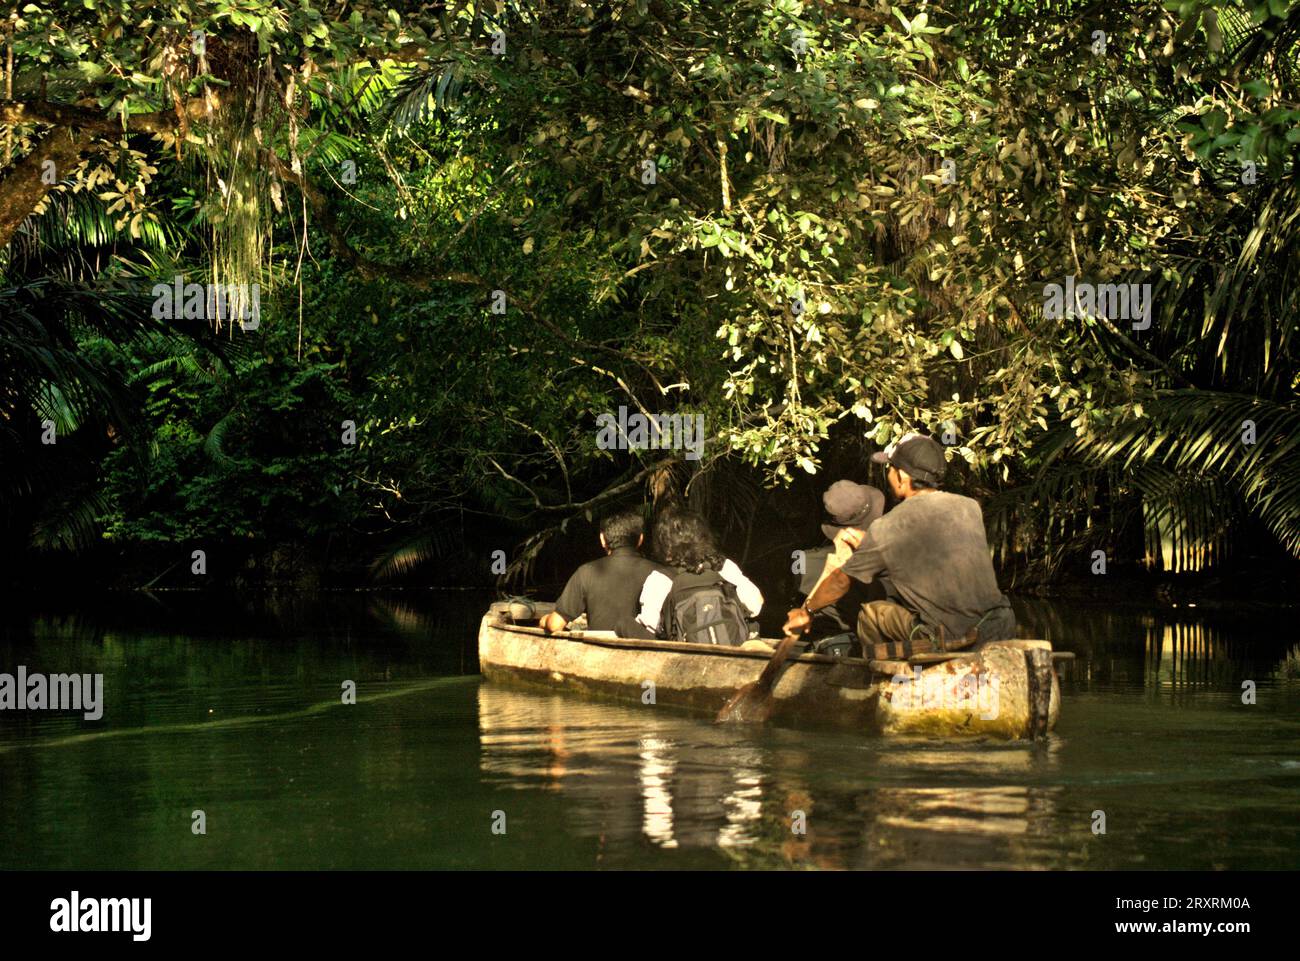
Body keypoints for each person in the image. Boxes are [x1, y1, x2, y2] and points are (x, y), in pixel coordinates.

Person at [783, 433, 1016, 659]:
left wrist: (807, 611)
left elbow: (840, 582)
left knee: (870, 615)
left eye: (890, 468)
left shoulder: (887, 527)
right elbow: (930, 550)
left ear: (902, 476)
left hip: (949, 636)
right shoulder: (969, 507)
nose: (889, 474)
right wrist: (870, 546)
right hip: (999, 624)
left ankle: (882, 678)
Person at [635, 508, 764, 645]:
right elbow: (756, 604)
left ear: (664, 545)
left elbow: (651, 624)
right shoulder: (723, 567)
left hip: (685, 655)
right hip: (732, 649)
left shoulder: (660, 579)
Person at [792, 480, 887, 655]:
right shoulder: (885, 555)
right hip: (851, 643)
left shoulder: (804, 559)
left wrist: (808, 610)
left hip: (849, 640)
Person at [541, 508, 670, 635]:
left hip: (598, 648)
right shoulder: (661, 574)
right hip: (645, 648)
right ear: (641, 539)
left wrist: (545, 620)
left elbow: (555, 624)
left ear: (602, 539)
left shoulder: (586, 573)